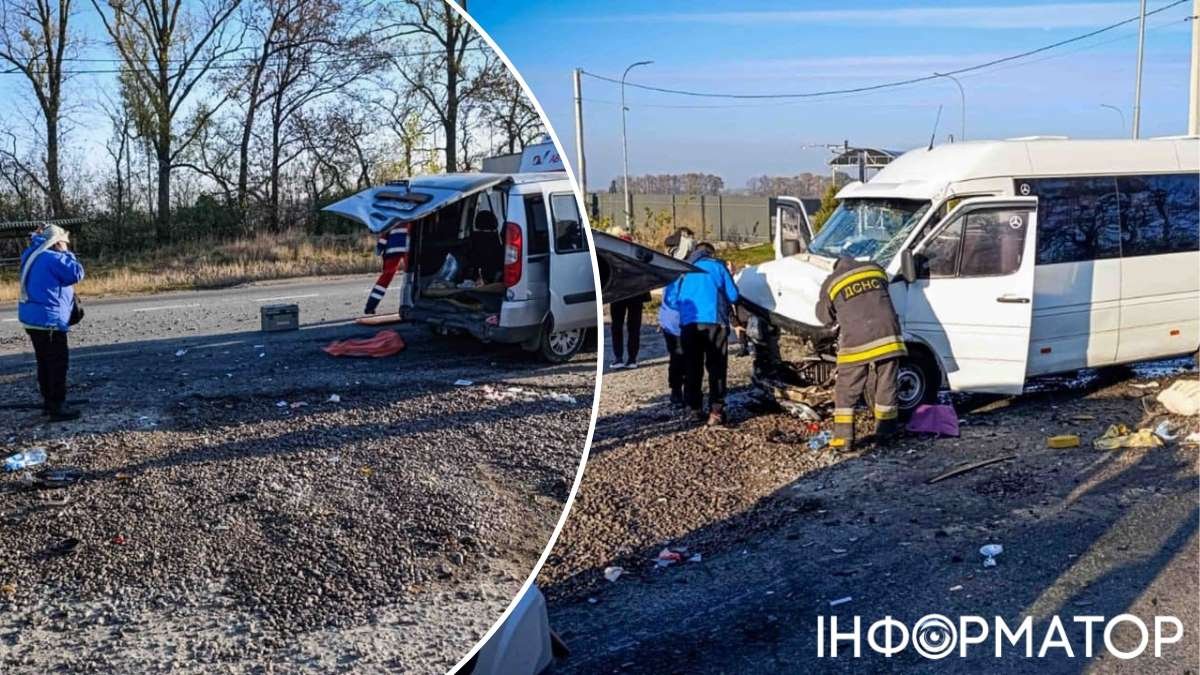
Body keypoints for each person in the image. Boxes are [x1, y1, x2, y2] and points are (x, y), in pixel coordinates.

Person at [816, 256, 907, 452]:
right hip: (889, 335)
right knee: (886, 384)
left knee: (846, 389)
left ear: (836, 267)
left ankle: (844, 438)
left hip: (857, 340)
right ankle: (886, 433)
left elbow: (824, 317)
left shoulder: (832, 281)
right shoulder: (875, 269)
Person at [664, 242, 739, 426]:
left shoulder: (683, 269)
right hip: (716, 322)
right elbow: (734, 295)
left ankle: (694, 408)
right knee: (717, 367)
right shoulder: (718, 266)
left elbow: (670, 300)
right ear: (711, 253)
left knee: (692, 366)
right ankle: (716, 411)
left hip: (689, 324)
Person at [18, 224, 85, 422]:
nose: (66, 245)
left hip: (33, 319)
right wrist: (67, 253)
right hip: (50, 321)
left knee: (44, 363)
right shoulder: (53, 258)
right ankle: (57, 406)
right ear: (56, 242)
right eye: (64, 242)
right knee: (57, 364)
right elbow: (76, 273)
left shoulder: (31, 253)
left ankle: (49, 403)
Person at [658, 228, 695, 405]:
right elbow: (672, 299)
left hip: (672, 320)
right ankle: (678, 391)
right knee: (681, 356)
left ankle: (680, 390)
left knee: (680, 356)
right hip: (676, 321)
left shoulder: (671, 266)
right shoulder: (677, 270)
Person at [607, 225, 648, 369]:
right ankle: (632, 359)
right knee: (634, 327)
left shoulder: (612, 250)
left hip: (618, 293)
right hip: (636, 293)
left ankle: (618, 358)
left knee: (617, 326)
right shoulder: (638, 250)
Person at [364, 220, 410, 316]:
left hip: (392, 249)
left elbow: (385, 233)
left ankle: (370, 307)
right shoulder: (415, 214)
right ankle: (409, 306)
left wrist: (380, 247)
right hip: (409, 248)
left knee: (385, 277)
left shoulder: (393, 217)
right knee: (411, 276)